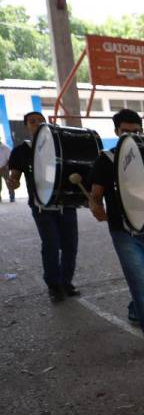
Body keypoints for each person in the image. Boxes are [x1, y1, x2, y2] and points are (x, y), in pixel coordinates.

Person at [87, 109, 144, 350]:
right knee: (139, 281)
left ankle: (136, 309)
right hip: (123, 232)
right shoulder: (107, 160)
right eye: (126, 131)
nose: (132, 135)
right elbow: (96, 194)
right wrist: (95, 206)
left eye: (136, 131)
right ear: (116, 132)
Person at [8, 112, 80, 303]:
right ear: (27, 127)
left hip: (66, 203)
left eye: (41, 120)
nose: (38, 123)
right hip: (41, 207)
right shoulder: (21, 151)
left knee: (70, 246)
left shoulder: (59, 146)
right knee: (51, 245)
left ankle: (66, 282)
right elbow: (15, 177)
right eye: (33, 122)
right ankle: (54, 286)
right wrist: (12, 182)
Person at [0, 137, 13, 202]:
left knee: (8, 182)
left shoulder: (5, 148)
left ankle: (12, 196)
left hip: (4, 168)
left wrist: (4, 167)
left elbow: (9, 159)